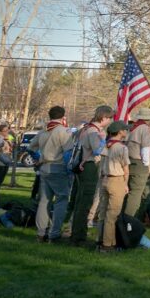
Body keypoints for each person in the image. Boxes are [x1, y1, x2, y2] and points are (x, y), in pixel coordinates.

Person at [69, 105, 112, 245]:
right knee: (85, 201)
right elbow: (98, 150)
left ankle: (76, 234)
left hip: (83, 166)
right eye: (109, 118)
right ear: (104, 117)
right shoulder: (94, 131)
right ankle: (79, 237)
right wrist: (105, 140)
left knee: (80, 200)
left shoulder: (86, 128)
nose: (110, 121)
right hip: (88, 166)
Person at [34, 106, 76, 243]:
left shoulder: (43, 131)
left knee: (44, 201)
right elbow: (68, 152)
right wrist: (69, 169)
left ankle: (41, 233)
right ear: (63, 116)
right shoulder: (63, 131)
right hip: (58, 167)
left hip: (44, 167)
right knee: (61, 200)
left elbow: (30, 148)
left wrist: (38, 159)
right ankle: (54, 233)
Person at [97, 120, 130, 253]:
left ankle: (99, 241)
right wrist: (125, 184)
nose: (126, 132)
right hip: (116, 180)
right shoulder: (122, 148)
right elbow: (126, 168)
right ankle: (108, 245)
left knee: (103, 213)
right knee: (112, 215)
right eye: (125, 129)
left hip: (105, 179)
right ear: (120, 131)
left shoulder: (107, 145)